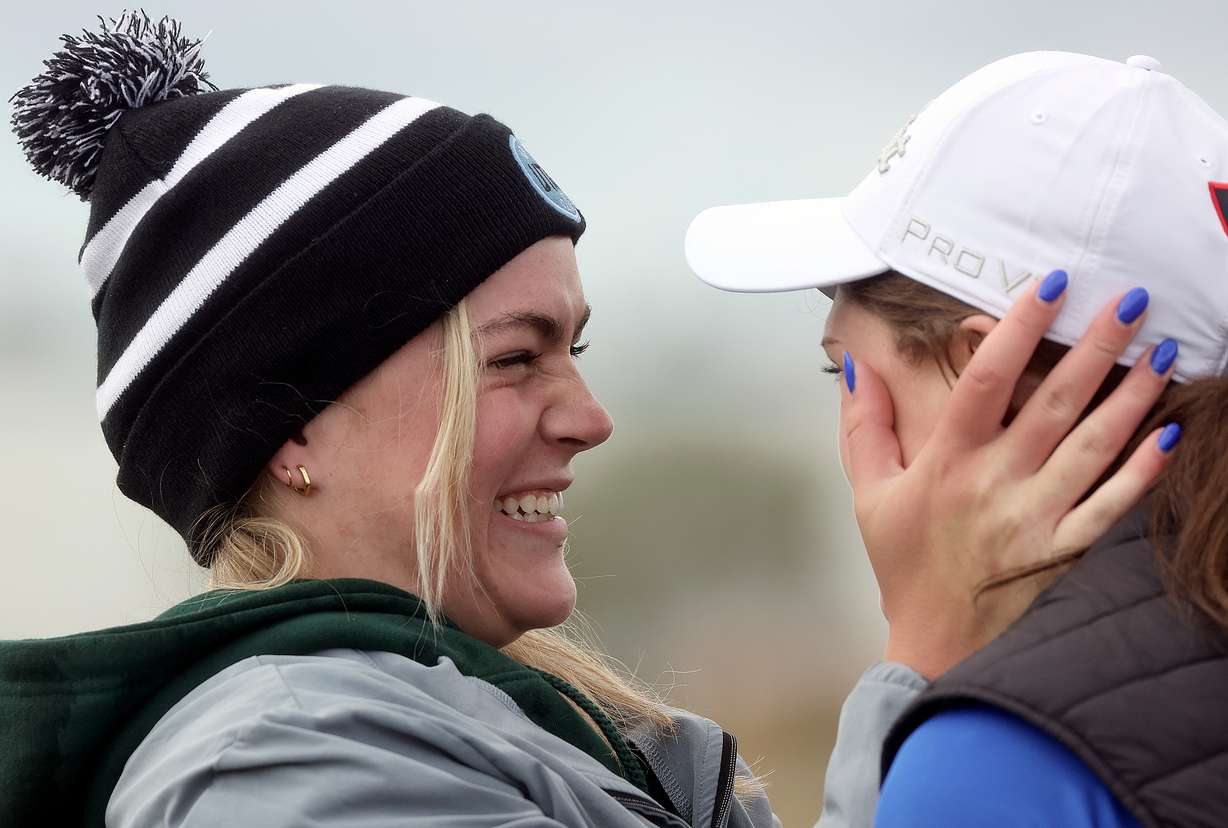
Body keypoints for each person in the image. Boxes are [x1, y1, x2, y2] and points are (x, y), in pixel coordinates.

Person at [1, 15, 1172, 828]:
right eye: (515, 360)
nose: (591, 418)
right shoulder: (276, 770)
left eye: (578, 349)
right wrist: (928, 652)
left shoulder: (528, 725)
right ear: (289, 428)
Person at [685, 50, 1227, 827]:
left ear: (987, 372)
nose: (850, 429)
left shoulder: (998, 756)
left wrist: (923, 650)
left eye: (844, 372)